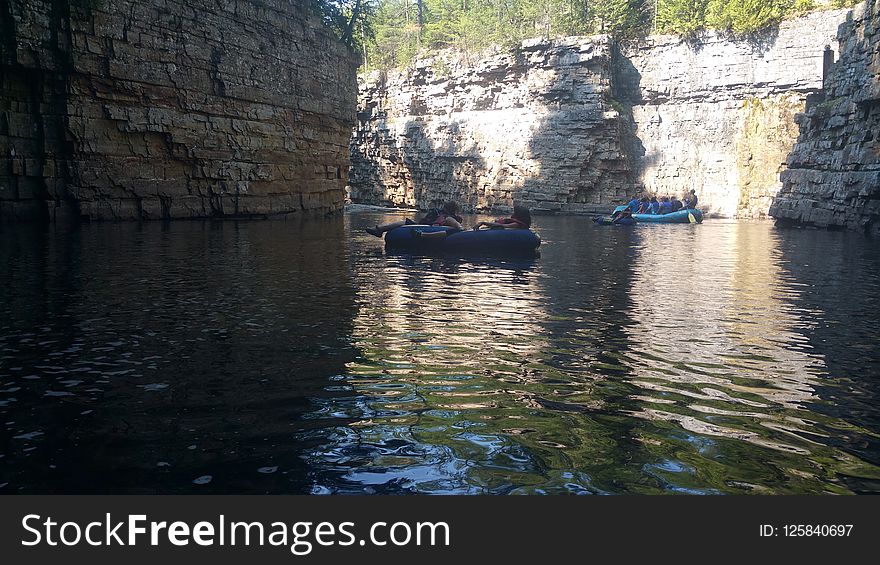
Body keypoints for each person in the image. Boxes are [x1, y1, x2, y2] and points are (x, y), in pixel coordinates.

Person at [365, 201, 464, 237]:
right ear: (455, 211)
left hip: (425, 227)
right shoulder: (450, 219)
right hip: (427, 230)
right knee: (406, 222)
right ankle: (380, 229)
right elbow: (459, 228)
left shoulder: (443, 216)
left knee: (405, 222)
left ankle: (380, 229)